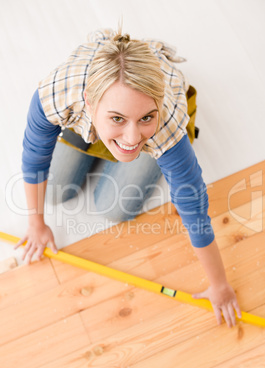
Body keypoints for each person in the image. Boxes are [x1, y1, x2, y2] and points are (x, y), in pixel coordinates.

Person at [15, 27, 241, 327]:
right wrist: (36, 224)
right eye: (118, 119)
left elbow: (193, 207)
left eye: (145, 118)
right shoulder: (56, 95)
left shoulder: (166, 123)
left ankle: (128, 117)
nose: (133, 137)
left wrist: (220, 285)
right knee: (55, 191)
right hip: (88, 114)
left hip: (141, 118)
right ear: (89, 103)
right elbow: (35, 157)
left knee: (114, 206)